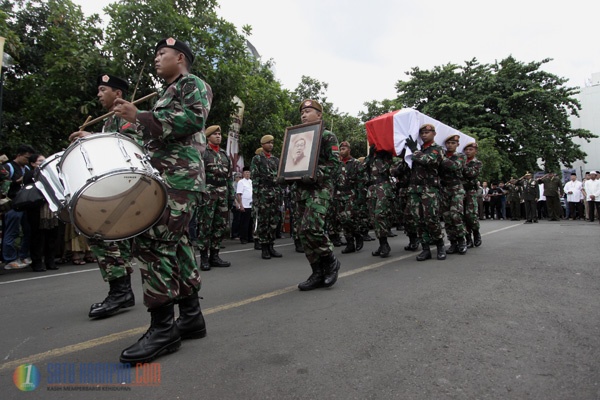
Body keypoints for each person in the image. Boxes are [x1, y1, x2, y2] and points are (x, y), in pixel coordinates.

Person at [111, 37, 212, 364]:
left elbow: (191, 120)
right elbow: (154, 132)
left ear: (179, 57)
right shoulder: (165, 94)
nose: (156, 59)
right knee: (176, 243)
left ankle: (163, 328)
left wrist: (139, 116)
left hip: (180, 177)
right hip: (166, 177)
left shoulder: (192, 85)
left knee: (154, 242)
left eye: (161, 53)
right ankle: (191, 316)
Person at [70, 73, 137, 319]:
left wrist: (93, 138)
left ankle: (121, 292)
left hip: (128, 187)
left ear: (117, 94)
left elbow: (131, 145)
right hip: (114, 187)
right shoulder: (109, 121)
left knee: (102, 234)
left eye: (102, 89)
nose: (98, 94)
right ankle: (122, 291)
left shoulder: (126, 115)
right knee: (111, 239)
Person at [294, 99, 341, 291]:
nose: (304, 114)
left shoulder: (327, 136)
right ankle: (317, 271)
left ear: (319, 115)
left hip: (320, 188)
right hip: (302, 190)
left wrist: (313, 174)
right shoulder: (297, 137)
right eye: (302, 112)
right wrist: (285, 176)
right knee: (303, 233)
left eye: (308, 111)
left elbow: (335, 165)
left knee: (311, 227)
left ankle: (331, 262)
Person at [404, 124, 445, 261]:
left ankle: (440, 245)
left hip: (429, 189)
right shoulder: (418, 150)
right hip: (415, 189)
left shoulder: (437, 149)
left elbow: (428, 161)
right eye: (422, 133)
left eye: (427, 132)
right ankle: (425, 248)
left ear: (434, 133)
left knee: (431, 219)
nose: (424, 135)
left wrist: (414, 150)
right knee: (418, 220)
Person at [197, 125, 233, 270]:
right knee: (206, 226)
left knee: (220, 226)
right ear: (208, 136)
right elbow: (198, 175)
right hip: (208, 193)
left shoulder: (224, 155)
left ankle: (215, 255)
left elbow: (229, 177)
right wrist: (200, 194)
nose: (218, 136)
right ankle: (204, 258)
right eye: (215, 134)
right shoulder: (204, 153)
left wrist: (231, 195)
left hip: (222, 193)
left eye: (220, 134)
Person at [23, 154, 60, 272]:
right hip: (36, 209)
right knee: (37, 237)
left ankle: (50, 261)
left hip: (51, 208)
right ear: (33, 163)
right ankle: (37, 263)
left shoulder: (52, 173)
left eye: (44, 160)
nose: (42, 162)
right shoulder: (30, 175)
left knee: (52, 236)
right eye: (39, 161)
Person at [251, 135, 284, 260]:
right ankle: (264, 247)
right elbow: (255, 178)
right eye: (268, 143)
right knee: (264, 221)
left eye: (272, 142)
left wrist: (280, 193)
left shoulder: (276, 160)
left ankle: (271, 246)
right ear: (263, 144)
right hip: (263, 194)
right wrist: (257, 196)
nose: (271, 145)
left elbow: (280, 177)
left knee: (274, 221)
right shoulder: (257, 159)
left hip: (275, 192)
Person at [2, 144, 35, 270]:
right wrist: (17, 181)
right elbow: (4, 185)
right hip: (12, 205)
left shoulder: (26, 168)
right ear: (19, 155)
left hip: (25, 204)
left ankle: (23, 255)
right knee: (12, 232)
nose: (28, 160)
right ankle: (9, 259)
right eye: (26, 158)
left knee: (28, 232)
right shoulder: (8, 167)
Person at [439, 134, 467, 255]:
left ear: (457, 145)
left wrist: (442, 158)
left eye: (453, 143)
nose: (450, 145)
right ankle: (453, 242)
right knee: (447, 217)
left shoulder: (460, 156)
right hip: (444, 189)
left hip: (456, 188)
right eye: (448, 143)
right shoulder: (441, 156)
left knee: (455, 215)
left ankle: (461, 240)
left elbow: (454, 166)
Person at [364, 145, 394, 258]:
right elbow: (362, 169)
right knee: (373, 218)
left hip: (383, 187)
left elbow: (386, 169)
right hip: (372, 189)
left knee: (380, 215)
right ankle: (382, 243)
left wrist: (382, 155)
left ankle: (385, 244)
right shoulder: (371, 157)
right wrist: (370, 156)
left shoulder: (386, 156)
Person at [336, 141, 365, 254]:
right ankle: (349, 243)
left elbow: (361, 180)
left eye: (344, 148)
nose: (341, 150)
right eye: (341, 148)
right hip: (339, 194)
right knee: (342, 219)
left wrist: (360, 196)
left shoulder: (356, 163)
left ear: (349, 150)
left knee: (350, 217)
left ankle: (357, 235)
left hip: (351, 193)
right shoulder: (337, 163)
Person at [462, 142, 483, 248]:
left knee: (471, 215)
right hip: (460, 191)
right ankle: (468, 238)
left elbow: (471, 174)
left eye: (470, 150)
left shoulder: (477, 163)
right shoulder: (460, 161)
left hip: (471, 191)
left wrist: (462, 165)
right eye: (466, 150)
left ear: (475, 151)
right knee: (462, 216)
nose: (468, 152)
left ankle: (476, 233)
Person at [236, 167, 254, 244]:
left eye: (248, 173)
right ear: (243, 174)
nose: (247, 174)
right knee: (244, 223)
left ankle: (250, 237)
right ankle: (243, 238)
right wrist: (241, 205)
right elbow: (239, 194)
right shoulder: (241, 182)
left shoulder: (251, 181)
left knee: (251, 222)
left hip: (251, 205)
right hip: (245, 205)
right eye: (246, 172)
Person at [230, 172, 242, 239]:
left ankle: (239, 233)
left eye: (240, 177)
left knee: (240, 219)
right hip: (235, 204)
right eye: (237, 177)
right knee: (236, 219)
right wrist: (236, 203)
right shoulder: (234, 184)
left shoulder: (241, 184)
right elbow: (233, 195)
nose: (239, 179)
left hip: (241, 203)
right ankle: (234, 234)